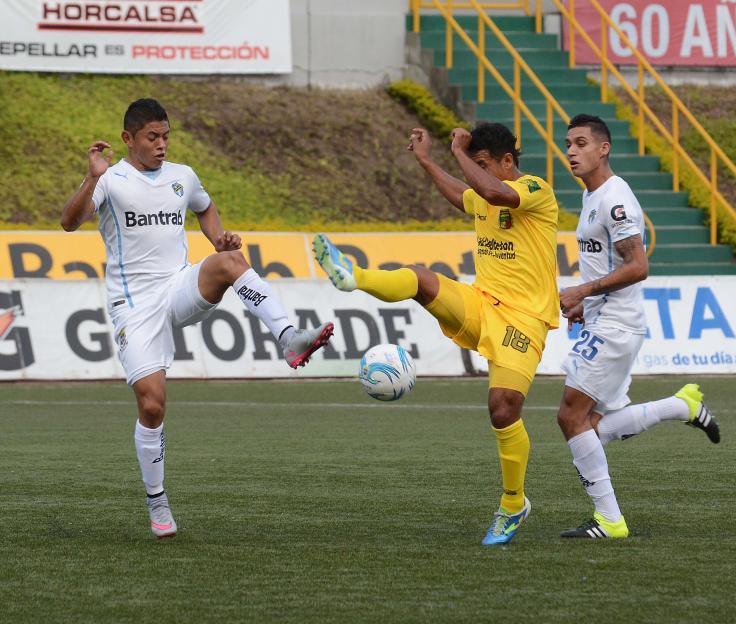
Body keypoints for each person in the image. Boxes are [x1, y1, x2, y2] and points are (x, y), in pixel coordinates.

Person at [60, 98, 334, 538]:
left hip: (177, 286)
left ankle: (288, 337)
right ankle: (157, 501)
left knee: (229, 261)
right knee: (152, 405)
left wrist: (218, 237)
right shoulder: (110, 180)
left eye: (166, 136)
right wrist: (91, 177)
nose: (162, 145)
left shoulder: (182, 177)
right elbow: (69, 222)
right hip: (134, 306)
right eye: (152, 137)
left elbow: (204, 207)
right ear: (129, 139)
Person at [313, 122, 559, 545]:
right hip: (483, 303)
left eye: (483, 165)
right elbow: (463, 194)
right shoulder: (483, 192)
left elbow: (495, 194)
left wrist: (460, 152)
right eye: (474, 165)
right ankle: (353, 277)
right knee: (423, 279)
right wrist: (427, 160)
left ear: (507, 161)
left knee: (503, 410)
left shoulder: (536, 189)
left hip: (525, 319)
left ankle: (514, 503)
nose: (474, 174)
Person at [556, 114, 720, 539]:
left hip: (615, 323)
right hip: (604, 319)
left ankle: (610, 520)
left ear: (603, 148)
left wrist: (583, 291)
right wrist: (584, 303)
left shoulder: (615, 200)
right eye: (568, 144)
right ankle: (679, 407)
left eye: (579, 143)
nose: (570, 152)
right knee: (589, 425)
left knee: (571, 417)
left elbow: (638, 265)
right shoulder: (592, 196)